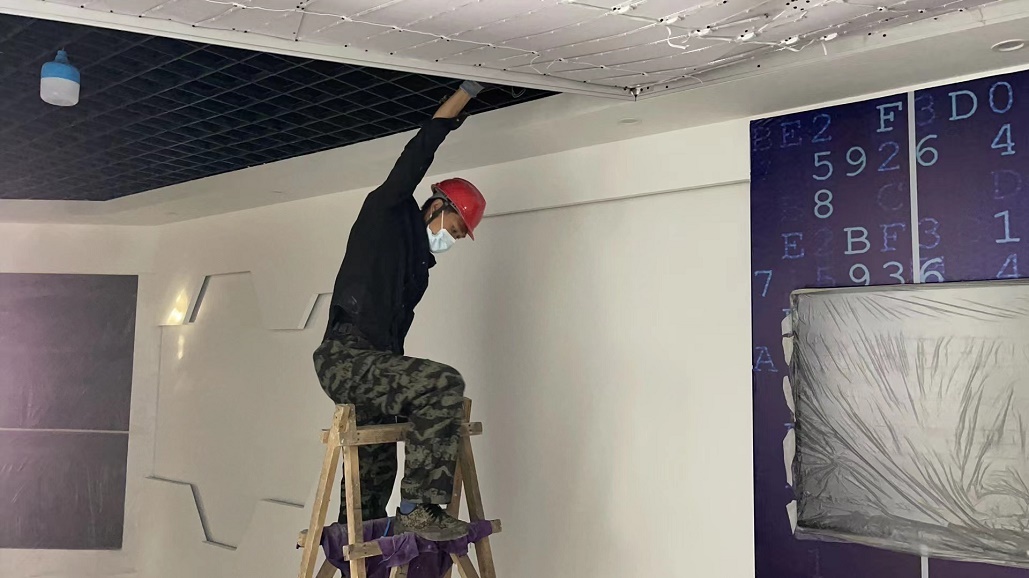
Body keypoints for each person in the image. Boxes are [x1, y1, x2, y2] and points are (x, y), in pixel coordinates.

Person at [313, 80, 487, 542]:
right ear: (436, 206)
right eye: (454, 228)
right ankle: (418, 509)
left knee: (375, 469)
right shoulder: (387, 209)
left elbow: (393, 335)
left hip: (373, 359)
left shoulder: (417, 269)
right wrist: (465, 96)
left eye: (458, 236)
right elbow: (418, 151)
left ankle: (355, 543)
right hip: (344, 357)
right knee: (443, 382)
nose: (451, 239)